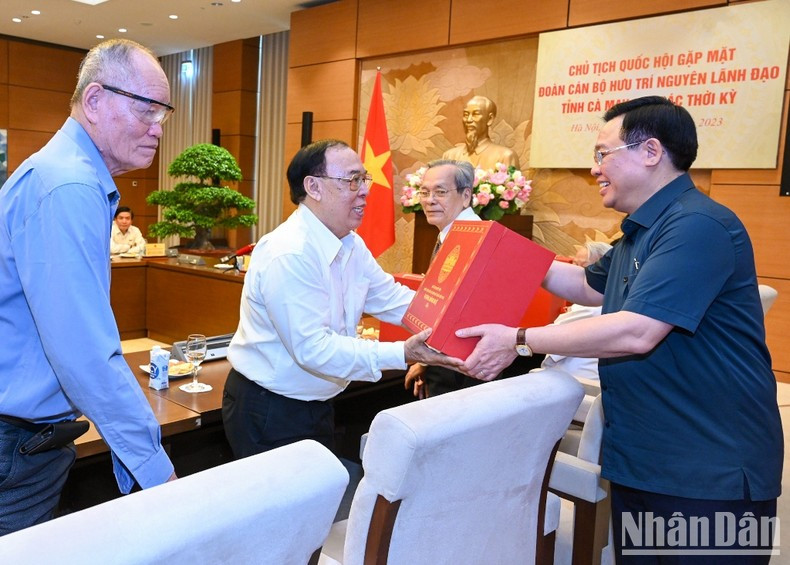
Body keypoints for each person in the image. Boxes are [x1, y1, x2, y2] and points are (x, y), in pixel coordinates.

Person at [456, 96, 782, 562]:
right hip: (647, 459)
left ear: (650, 152)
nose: (595, 169)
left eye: (602, 154)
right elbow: (586, 285)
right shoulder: (641, 230)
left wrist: (520, 339)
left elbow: (636, 332)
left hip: (710, 466)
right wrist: (503, 250)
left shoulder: (697, 225)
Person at [0, 39, 177, 535]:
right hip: (15, 444)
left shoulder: (63, 175)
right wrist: (156, 469)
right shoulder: (70, 186)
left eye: (163, 113)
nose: (158, 126)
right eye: (147, 108)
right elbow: (84, 352)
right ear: (95, 100)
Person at [222, 139, 463, 459]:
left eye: (364, 179)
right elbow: (314, 348)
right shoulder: (290, 252)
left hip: (317, 401)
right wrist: (403, 353)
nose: (364, 191)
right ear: (313, 187)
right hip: (270, 409)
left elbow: (391, 298)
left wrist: (455, 318)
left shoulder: (350, 243)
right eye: (352, 180)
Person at [403, 159, 482, 398]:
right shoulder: (452, 234)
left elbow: (457, 312)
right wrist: (426, 362)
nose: (429, 200)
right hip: (444, 360)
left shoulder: (474, 240)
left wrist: (426, 361)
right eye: (424, 192)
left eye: (440, 192)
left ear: (466, 196)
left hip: (462, 370)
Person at [537, 240, 612, 380]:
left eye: (582, 266)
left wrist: (516, 336)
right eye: (574, 264)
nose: (574, 270)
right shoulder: (607, 301)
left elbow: (554, 336)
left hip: (577, 379)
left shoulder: (592, 306)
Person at [442, 95, 520, 170]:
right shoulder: (449, 156)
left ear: (490, 119)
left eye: (475, 114)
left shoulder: (505, 156)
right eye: (466, 114)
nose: (469, 120)